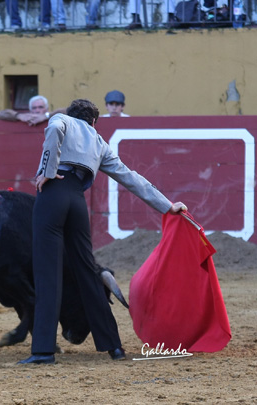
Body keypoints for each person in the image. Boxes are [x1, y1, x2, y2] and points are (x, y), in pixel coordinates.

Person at [18, 99, 188, 365]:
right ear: (94, 122)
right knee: (87, 270)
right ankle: (114, 346)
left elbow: (54, 130)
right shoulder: (98, 142)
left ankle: (42, 351)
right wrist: (167, 205)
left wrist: (49, 172)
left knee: (47, 271)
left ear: (71, 115)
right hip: (77, 202)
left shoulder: (61, 120)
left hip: (52, 196)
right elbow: (130, 177)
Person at [0, 95, 66, 126]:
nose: (37, 110)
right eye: (34, 108)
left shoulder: (53, 118)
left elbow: (69, 111)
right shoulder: (26, 118)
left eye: (40, 107)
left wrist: (46, 116)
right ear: (30, 110)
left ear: (47, 109)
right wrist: (18, 116)